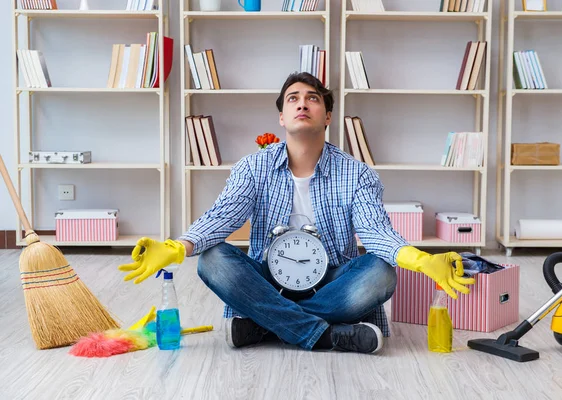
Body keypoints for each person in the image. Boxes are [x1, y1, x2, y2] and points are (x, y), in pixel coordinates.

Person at [118, 72, 475, 354]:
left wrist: (419, 259)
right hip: (267, 280)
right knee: (212, 259)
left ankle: (263, 325)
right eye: (293, 99)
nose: (302, 104)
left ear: (328, 115)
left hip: (332, 282)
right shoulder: (252, 167)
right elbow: (222, 216)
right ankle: (328, 336)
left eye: (313, 98)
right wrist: (179, 246)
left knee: (381, 272)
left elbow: (375, 232)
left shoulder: (357, 173)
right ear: (281, 117)